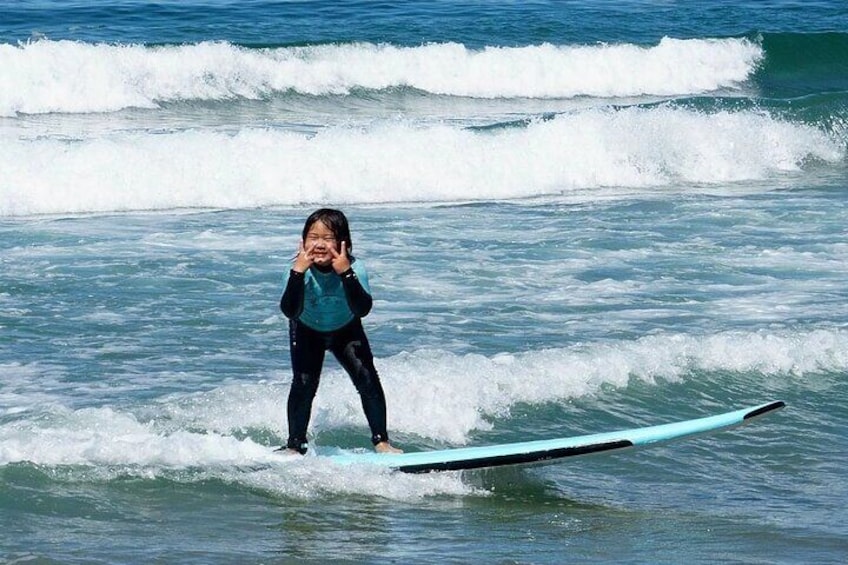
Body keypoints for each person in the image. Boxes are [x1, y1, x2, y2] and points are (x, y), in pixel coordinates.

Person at [279, 208, 402, 455]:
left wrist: (345, 272)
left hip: (346, 329)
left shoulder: (356, 269)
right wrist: (297, 272)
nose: (320, 244)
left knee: (367, 379)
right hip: (307, 329)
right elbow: (290, 311)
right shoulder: (296, 271)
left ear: (344, 242)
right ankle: (295, 445)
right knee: (303, 385)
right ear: (302, 242)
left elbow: (362, 308)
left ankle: (381, 441)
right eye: (313, 237)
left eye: (328, 238)